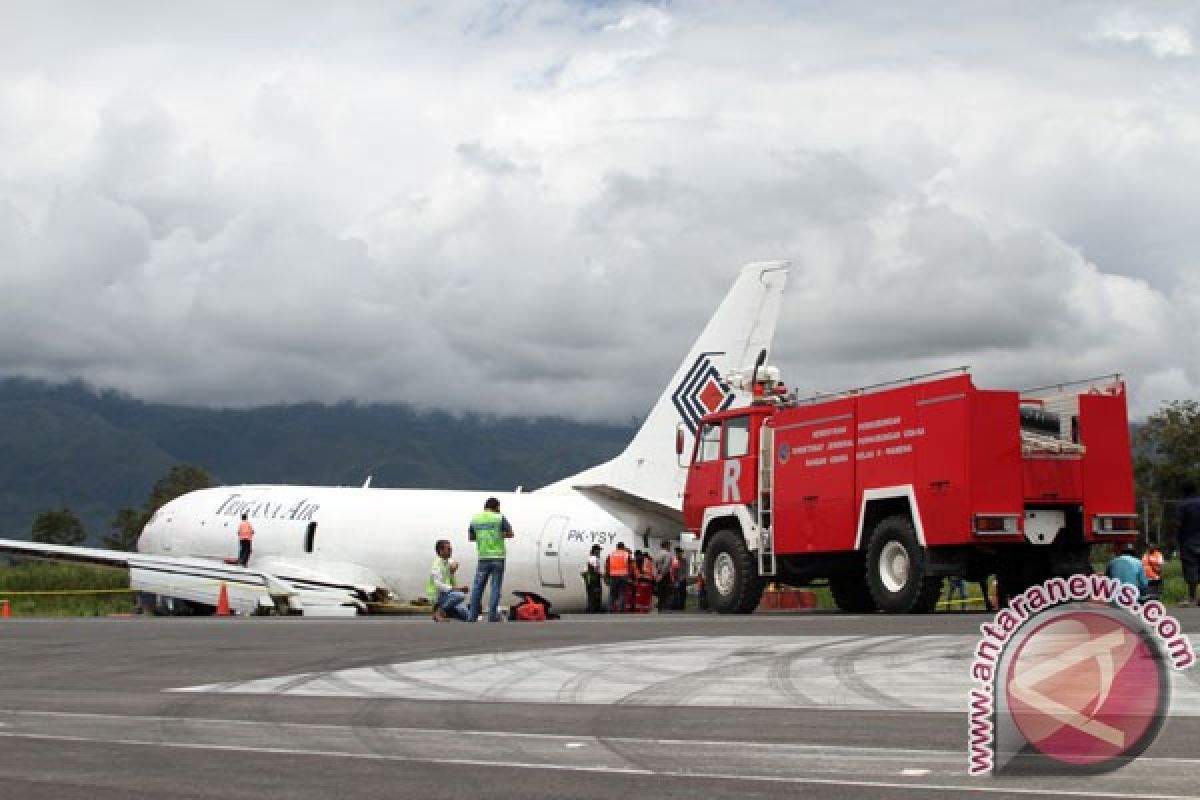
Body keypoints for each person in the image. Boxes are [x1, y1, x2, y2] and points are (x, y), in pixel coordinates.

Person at [467, 497, 514, 622]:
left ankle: (472, 616)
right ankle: (492, 616)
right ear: (497, 507)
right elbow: (510, 533)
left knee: (477, 587)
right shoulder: (499, 517)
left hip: (483, 557)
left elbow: (471, 537)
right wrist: (499, 534)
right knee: (495, 587)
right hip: (498, 557)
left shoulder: (475, 519)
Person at [428, 539, 469, 621]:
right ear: (440, 551)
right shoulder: (437, 566)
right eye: (449, 549)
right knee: (460, 595)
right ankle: (439, 611)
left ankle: (447, 612)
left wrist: (455, 566)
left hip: (448, 595)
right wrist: (458, 589)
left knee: (467, 615)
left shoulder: (446, 561)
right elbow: (438, 585)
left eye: (451, 549)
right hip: (438, 596)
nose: (451, 551)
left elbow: (454, 563)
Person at [1179, 479, 1200, 606]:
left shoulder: (1183, 505)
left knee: (1191, 568)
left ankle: (1192, 597)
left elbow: (1178, 523)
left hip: (1189, 540)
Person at [605, 542, 632, 613]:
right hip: (623, 576)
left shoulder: (611, 554)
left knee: (612, 593)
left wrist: (607, 576)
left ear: (617, 547)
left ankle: (610, 608)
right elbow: (630, 566)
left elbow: (607, 566)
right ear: (623, 547)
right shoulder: (626, 554)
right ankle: (620, 609)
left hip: (613, 576)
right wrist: (629, 576)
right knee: (622, 593)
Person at [583, 545, 604, 613]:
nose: (599, 552)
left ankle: (592, 608)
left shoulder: (591, 558)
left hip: (590, 577)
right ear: (595, 551)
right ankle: (594, 609)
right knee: (594, 593)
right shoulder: (593, 558)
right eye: (598, 550)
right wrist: (601, 575)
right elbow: (593, 568)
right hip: (593, 577)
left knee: (591, 593)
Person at [654, 541, 673, 612]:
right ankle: (664, 607)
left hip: (658, 573)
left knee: (660, 591)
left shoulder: (657, 554)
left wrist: (656, 575)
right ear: (666, 546)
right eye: (669, 546)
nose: (670, 547)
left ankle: (659, 606)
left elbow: (655, 565)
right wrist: (662, 574)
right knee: (666, 591)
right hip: (665, 575)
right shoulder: (667, 554)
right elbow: (667, 565)